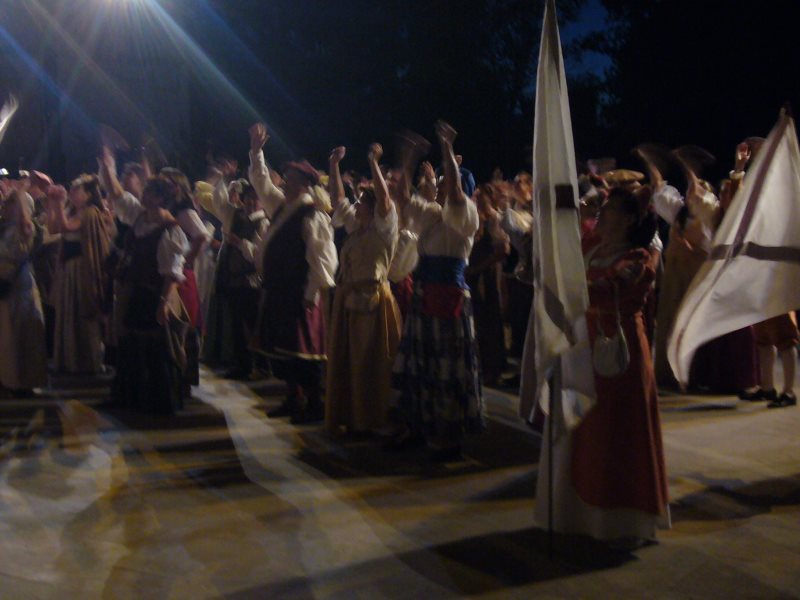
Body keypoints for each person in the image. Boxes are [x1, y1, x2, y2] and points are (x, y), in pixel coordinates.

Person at [534, 187, 670, 545]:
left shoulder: (640, 257)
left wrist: (566, 287)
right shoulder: (592, 248)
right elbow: (562, 251)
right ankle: (582, 516)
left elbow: (609, 286)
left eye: (609, 210)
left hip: (619, 352)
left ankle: (621, 520)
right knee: (587, 430)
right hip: (583, 347)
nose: (601, 214)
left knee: (617, 431)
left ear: (628, 220)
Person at [390, 121, 484, 461]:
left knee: (446, 369)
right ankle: (419, 427)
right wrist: (408, 157)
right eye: (441, 183)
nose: (441, 186)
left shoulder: (466, 216)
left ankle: (447, 438)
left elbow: (456, 193)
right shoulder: (433, 214)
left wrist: (447, 149)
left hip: (448, 299)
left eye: (446, 183)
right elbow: (403, 198)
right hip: (425, 294)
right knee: (421, 364)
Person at [249, 123, 338, 424]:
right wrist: (256, 152)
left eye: (290, 180)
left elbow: (323, 257)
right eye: (286, 179)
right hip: (280, 290)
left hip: (300, 292)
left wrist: (312, 292)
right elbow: (262, 183)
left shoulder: (312, 214)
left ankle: (314, 403)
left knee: (305, 353)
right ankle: (293, 398)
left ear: (304, 185)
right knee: (285, 350)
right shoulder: (282, 208)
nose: (284, 183)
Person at [325, 143, 402, 435]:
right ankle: (354, 416)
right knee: (349, 363)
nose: (355, 205)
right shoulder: (356, 228)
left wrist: (373, 163)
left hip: (373, 303)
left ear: (371, 207)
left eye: (360, 202)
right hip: (350, 301)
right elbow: (338, 200)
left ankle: (371, 418)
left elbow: (384, 199)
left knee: (369, 362)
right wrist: (334, 165)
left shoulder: (384, 229)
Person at [111, 176, 191, 414]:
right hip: (137, 289)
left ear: (159, 198)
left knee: (157, 347)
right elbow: (118, 195)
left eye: (148, 192)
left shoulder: (171, 229)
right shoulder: (141, 218)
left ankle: (158, 401)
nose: (143, 195)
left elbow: (172, 272)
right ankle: (134, 398)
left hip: (155, 292)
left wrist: (164, 303)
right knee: (133, 343)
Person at [203, 168, 269, 380]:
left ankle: (260, 366)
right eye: (248, 197)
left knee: (253, 325)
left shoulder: (263, 222)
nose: (251, 202)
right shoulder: (235, 214)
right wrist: (225, 178)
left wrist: (240, 243)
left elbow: (259, 255)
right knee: (237, 325)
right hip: (232, 278)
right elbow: (219, 202)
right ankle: (242, 364)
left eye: (255, 199)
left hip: (251, 281)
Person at [46, 175, 113, 374]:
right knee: (69, 311)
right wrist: (53, 204)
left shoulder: (91, 212)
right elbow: (54, 228)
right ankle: (69, 359)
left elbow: (67, 227)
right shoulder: (72, 210)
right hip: (68, 268)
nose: (73, 193)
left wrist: (59, 204)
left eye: (77, 190)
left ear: (89, 194)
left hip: (82, 268)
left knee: (82, 311)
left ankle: (86, 361)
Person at [0, 190, 48, 395]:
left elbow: (16, 253)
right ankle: (9, 378)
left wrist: (19, 194)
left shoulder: (25, 229)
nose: (5, 206)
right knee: (8, 335)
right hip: (8, 284)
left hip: (19, 285)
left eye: (10, 203)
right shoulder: (5, 229)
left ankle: (22, 380)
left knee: (22, 333)